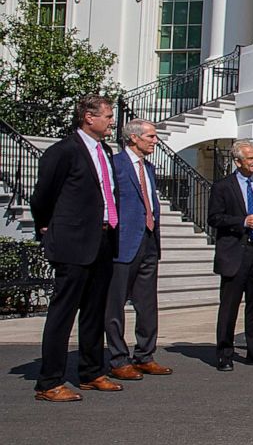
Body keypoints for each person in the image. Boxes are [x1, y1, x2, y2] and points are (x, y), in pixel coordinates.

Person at [31, 94, 123, 402]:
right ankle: (49, 382)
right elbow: (43, 195)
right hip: (73, 243)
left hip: (103, 240)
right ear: (88, 117)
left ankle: (91, 372)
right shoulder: (64, 151)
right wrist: (46, 224)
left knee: (95, 313)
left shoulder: (106, 151)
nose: (112, 121)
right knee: (63, 313)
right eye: (108, 116)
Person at [105, 118, 173, 381]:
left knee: (147, 303)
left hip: (148, 241)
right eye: (151, 136)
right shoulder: (116, 165)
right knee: (115, 305)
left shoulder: (150, 168)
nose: (155, 141)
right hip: (123, 244)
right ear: (134, 138)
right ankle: (118, 359)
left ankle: (145, 355)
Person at [208, 139, 253, 371]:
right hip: (235, 252)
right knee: (230, 306)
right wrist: (243, 221)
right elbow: (214, 218)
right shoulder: (222, 187)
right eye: (250, 158)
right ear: (238, 162)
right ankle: (224, 354)